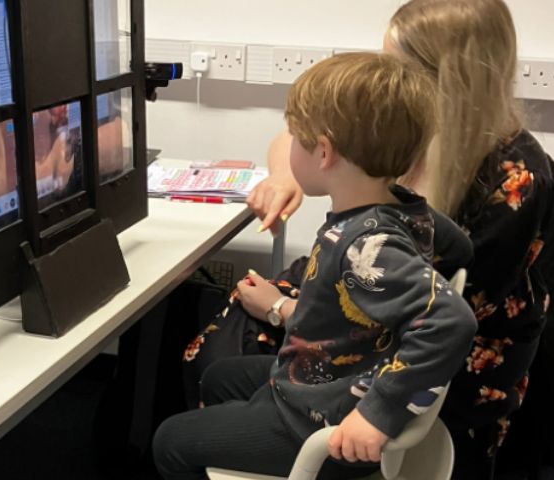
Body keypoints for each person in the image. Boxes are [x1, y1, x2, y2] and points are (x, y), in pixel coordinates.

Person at [248, 1, 554, 478]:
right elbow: (300, 136)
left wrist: (283, 310)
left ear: (446, 80)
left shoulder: (515, 181)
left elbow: (435, 317)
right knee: (224, 340)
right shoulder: (403, 122)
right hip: (369, 291)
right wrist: (284, 175)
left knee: (248, 345)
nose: (384, 76)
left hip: (426, 341)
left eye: (396, 64)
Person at [153, 52, 478, 480]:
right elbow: (459, 251)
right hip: (330, 376)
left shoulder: (364, 245)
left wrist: (376, 414)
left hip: (321, 420)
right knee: (218, 377)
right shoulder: (405, 208)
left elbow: (452, 322)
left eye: (296, 138)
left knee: (171, 441)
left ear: (323, 152)